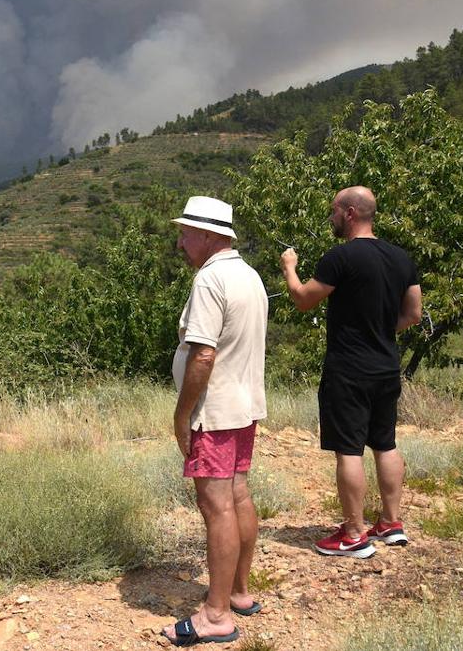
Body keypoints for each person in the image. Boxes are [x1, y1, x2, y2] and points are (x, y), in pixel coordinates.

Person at [279, 186, 421, 558]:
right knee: (385, 443)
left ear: (351, 213)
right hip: (387, 366)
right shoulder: (401, 257)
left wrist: (289, 269)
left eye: (334, 211)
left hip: (349, 369)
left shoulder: (340, 258)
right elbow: (414, 314)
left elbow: (303, 299)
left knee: (349, 449)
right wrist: (381, 331)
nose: (331, 218)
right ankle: (391, 523)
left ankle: (354, 534)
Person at [162, 196, 268, 647]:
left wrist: (183, 415)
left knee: (216, 506)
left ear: (209, 236)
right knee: (238, 495)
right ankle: (239, 592)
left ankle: (216, 615)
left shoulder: (210, 280)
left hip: (215, 412)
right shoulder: (249, 275)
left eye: (186, 233)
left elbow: (203, 354)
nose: (181, 242)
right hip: (243, 407)